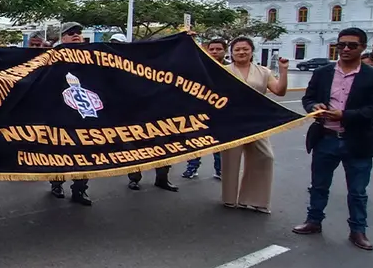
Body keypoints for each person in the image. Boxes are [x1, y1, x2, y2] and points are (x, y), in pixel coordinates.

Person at [294, 28, 373, 251]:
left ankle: (358, 230)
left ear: (363, 47)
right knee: (319, 185)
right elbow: (308, 98)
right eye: (341, 44)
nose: (345, 49)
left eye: (351, 45)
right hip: (326, 137)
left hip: (358, 140)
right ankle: (313, 221)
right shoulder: (323, 72)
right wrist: (314, 107)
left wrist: (344, 115)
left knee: (357, 191)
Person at [220, 37, 288, 213]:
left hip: (256, 121)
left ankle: (254, 199)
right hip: (231, 121)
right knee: (231, 161)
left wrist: (283, 71)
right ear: (231, 53)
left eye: (245, 49)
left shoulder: (263, 71)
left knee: (265, 157)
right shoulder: (222, 71)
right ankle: (229, 199)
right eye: (237, 50)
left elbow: (279, 91)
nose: (241, 52)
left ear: (251, 51)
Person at [110, 31, 179, 192]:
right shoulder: (117, 64)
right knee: (134, 149)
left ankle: (162, 178)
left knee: (164, 148)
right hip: (132, 115)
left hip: (159, 115)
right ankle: (134, 178)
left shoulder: (163, 64)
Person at [50, 22, 92, 205]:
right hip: (59, 115)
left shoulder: (93, 57)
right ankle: (56, 184)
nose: (76, 35)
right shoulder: (52, 57)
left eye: (79, 33)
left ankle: (80, 190)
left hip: (84, 115)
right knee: (59, 154)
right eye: (71, 33)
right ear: (63, 38)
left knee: (85, 156)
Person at [183, 39, 228, 179]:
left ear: (225, 51)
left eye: (218, 49)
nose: (215, 52)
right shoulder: (201, 66)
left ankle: (220, 170)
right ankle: (192, 168)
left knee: (220, 143)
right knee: (196, 141)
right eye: (212, 49)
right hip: (199, 111)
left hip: (222, 112)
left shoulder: (231, 69)